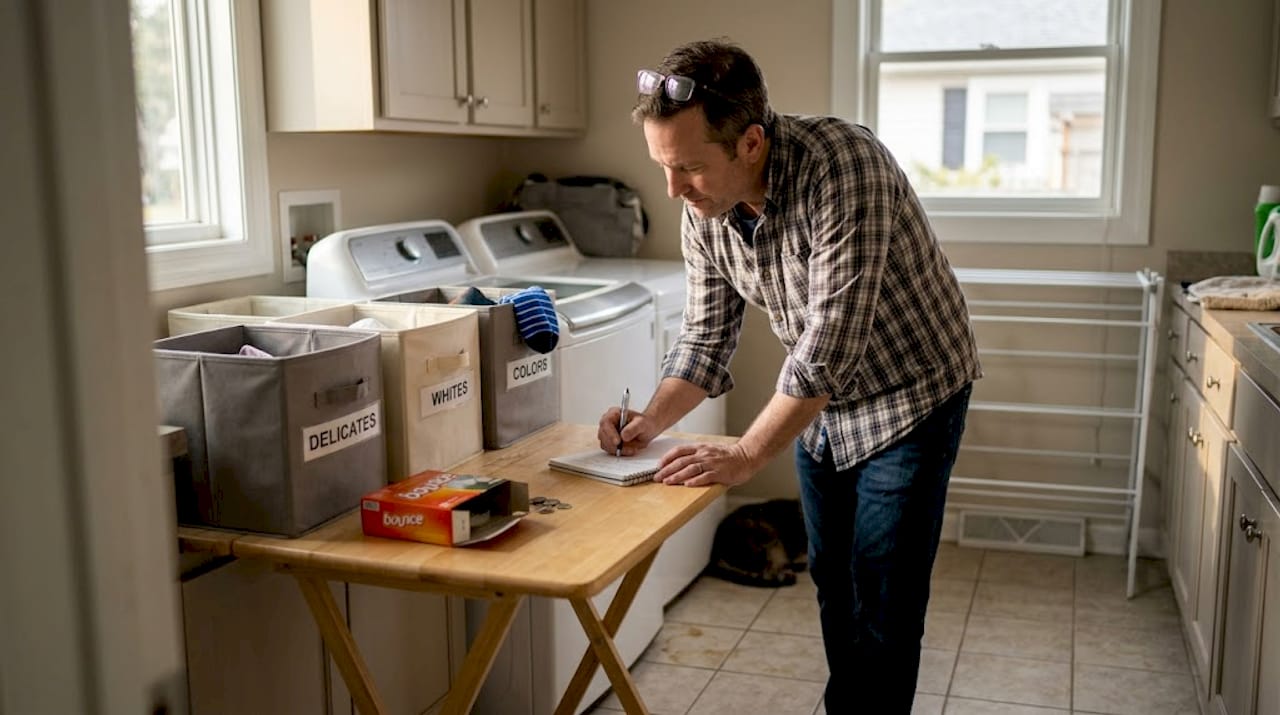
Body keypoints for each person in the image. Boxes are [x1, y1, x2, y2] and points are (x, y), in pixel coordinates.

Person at [595, 39, 981, 713]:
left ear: (750, 142)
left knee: (882, 592)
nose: (673, 189)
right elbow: (707, 336)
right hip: (822, 408)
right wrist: (651, 418)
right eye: (663, 166)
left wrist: (746, 453)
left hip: (912, 393)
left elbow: (828, 346)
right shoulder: (706, 209)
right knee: (833, 578)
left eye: (688, 168)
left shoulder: (844, 167)